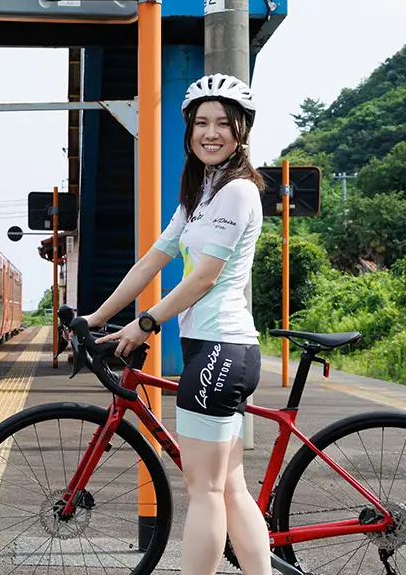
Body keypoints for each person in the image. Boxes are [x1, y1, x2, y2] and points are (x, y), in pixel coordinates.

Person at [86, 73, 270, 575]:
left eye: (223, 124)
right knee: (228, 487)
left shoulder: (237, 193)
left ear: (241, 132)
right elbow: (153, 260)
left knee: (204, 490)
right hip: (213, 351)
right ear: (189, 130)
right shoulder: (201, 195)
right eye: (201, 123)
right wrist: (97, 317)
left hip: (220, 351)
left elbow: (204, 277)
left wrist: (145, 322)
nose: (211, 133)